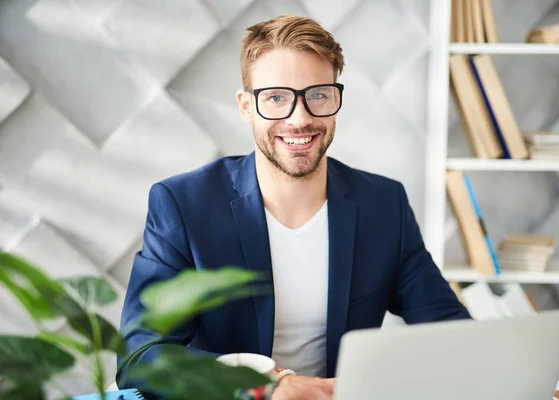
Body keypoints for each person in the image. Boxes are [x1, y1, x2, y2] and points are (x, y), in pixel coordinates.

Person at [118, 14, 471, 400]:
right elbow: (141, 357)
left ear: (337, 99)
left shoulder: (384, 204)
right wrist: (267, 385)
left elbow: (450, 332)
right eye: (276, 98)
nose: (299, 118)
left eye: (317, 94)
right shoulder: (184, 205)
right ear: (246, 106)